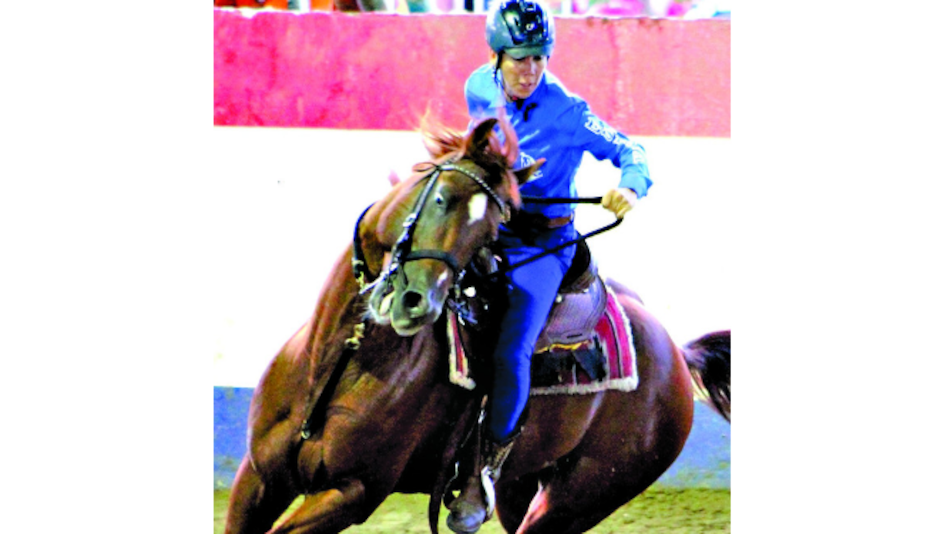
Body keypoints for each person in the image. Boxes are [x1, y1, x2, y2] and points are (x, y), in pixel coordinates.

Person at [446, 2, 653, 533]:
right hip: (491, 226)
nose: (531, 70)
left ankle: (483, 474)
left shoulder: (567, 109)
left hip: (543, 245)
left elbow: (631, 149)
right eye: (519, 59)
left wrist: (630, 185)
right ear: (496, 56)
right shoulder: (478, 87)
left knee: (513, 343)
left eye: (539, 58)